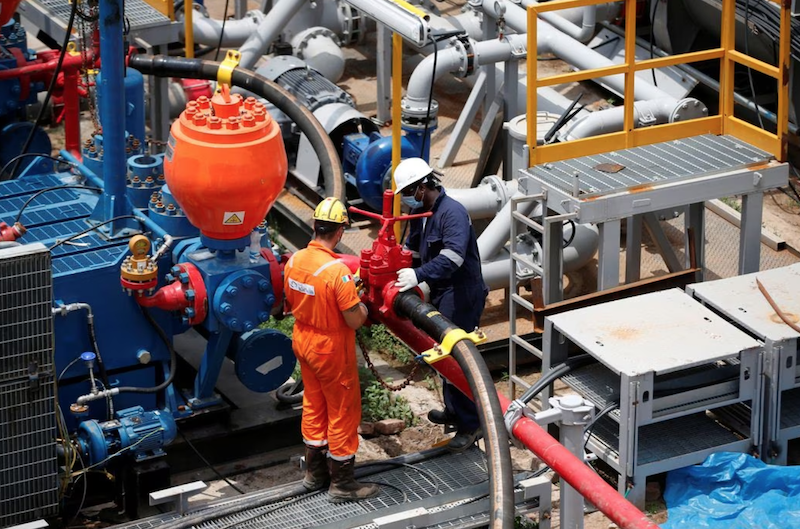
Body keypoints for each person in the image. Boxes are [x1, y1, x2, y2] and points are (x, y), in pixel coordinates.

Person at [283, 197, 379, 502]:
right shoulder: (337, 273)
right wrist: (362, 305)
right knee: (342, 411)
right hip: (330, 347)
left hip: (303, 340)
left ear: (314, 226)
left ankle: (315, 474)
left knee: (314, 403)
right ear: (339, 232)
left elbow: (292, 298)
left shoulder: (295, 261)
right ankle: (342, 483)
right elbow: (353, 320)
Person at [393, 157, 489, 452]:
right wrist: (398, 261)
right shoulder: (422, 210)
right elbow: (413, 249)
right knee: (442, 355)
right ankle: (454, 409)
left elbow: (453, 258)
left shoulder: (452, 213)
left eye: (409, 191)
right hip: (443, 290)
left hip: (462, 294)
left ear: (423, 186)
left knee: (455, 356)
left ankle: (471, 425)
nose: (408, 197)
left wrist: (418, 275)